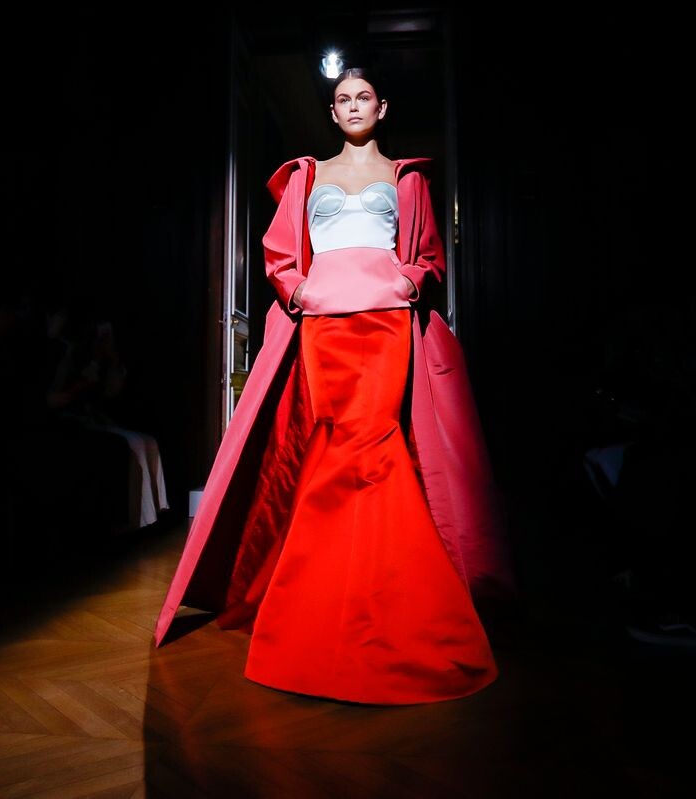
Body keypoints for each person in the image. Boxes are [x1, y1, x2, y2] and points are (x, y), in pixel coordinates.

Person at [153, 67, 515, 704]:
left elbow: (429, 256)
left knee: (377, 448)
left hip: (386, 325)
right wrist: (299, 292)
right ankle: (317, 610)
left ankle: (393, 608)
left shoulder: (407, 177)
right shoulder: (307, 175)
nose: (352, 106)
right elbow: (278, 254)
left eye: (363, 97)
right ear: (332, 111)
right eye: (342, 98)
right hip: (324, 327)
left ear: (382, 107)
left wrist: (404, 283)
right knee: (332, 448)